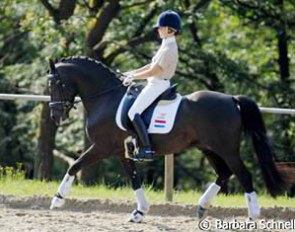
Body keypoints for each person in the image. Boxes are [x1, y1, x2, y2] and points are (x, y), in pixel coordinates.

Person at [123, 10, 181, 161]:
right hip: (154, 82)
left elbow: (153, 71)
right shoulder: (165, 44)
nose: (158, 30)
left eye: (161, 27)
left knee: (133, 112)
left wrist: (133, 77)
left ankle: (147, 149)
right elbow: (151, 65)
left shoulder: (169, 48)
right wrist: (131, 72)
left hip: (158, 84)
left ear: (170, 30)